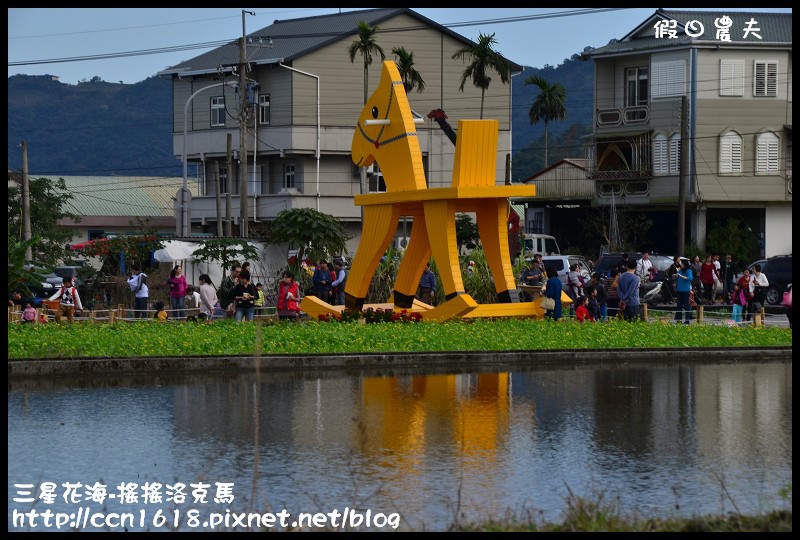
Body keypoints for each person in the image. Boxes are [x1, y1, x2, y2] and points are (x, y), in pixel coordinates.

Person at [674, 259, 694, 324]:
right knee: (679, 305)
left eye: (682, 264)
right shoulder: (680, 271)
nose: (681, 265)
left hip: (685, 291)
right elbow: (676, 275)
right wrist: (675, 275)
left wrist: (683, 277)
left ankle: (687, 320)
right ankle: (679, 319)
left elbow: (690, 278)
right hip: (679, 290)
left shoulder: (688, 271)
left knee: (686, 306)